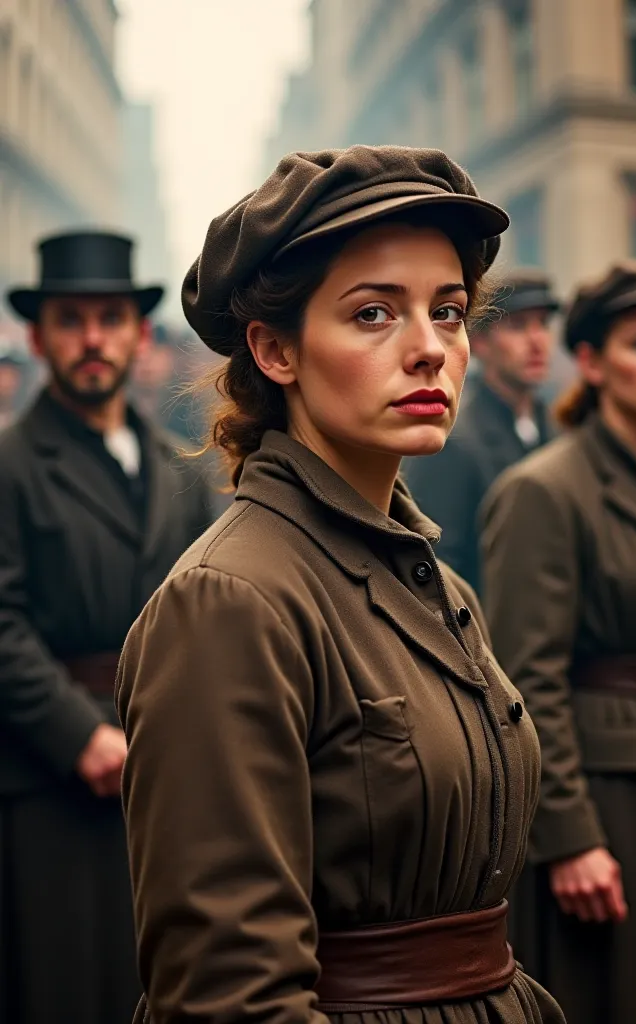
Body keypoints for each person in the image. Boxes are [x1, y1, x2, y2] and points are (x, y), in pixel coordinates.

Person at [116, 147, 565, 1024]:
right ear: (275, 349)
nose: (430, 349)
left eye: (448, 311)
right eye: (373, 314)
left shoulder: (441, 586)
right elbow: (228, 995)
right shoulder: (230, 601)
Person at [0, 230, 213, 1024]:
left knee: (154, 982)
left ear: (135, 331)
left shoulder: (176, 465)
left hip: (159, 766)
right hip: (46, 780)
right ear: (40, 335)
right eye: (72, 319)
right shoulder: (12, 464)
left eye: (110, 318)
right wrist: (78, 735)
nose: (93, 339)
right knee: (63, 984)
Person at [480, 259, 636, 1024]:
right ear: (592, 363)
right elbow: (527, 682)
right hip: (612, 788)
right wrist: (567, 835)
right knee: (620, 992)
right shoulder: (546, 489)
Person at [403, 271, 559, 591]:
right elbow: (438, 564)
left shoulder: (558, 427)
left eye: (543, 324)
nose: (537, 341)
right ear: (480, 342)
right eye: (518, 326)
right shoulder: (456, 440)